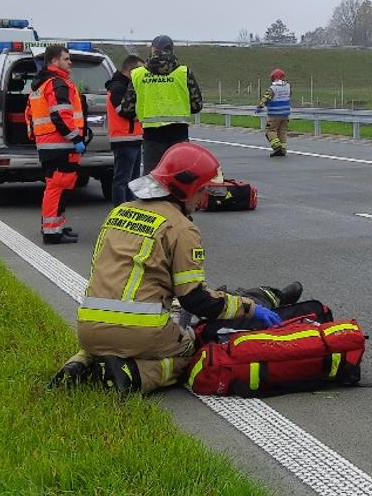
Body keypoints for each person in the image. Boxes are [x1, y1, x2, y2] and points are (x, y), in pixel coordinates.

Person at [49, 142, 303, 394]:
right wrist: (249, 309)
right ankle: (134, 375)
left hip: (89, 330)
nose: (204, 198)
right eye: (203, 190)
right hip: (141, 333)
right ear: (188, 188)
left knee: (110, 341)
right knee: (192, 352)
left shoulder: (119, 212)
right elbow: (196, 300)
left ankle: (80, 363)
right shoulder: (181, 227)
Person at [28, 45, 89, 245]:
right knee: (58, 187)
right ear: (54, 61)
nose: (70, 62)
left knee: (60, 187)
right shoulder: (57, 84)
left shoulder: (40, 85)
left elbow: (29, 116)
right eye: (66, 58)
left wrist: (36, 136)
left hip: (50, 144)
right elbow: (60, 115)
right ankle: (52, 232)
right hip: (60, 144)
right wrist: (76, 138)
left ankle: (56, 225)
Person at [124, 35, 205, 173]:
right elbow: (197, 105)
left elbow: (127, 108)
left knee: (153, 179)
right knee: (180, 177)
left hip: (152, 137)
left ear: (153, 50)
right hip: (179, 136)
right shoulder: (184, 73)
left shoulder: (138, 74)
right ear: (171, 50)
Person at [105, 55, 145, 206]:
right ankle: (120, 211)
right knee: (122, 180)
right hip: (123, 139)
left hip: (133, 138)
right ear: (131, 70)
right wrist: (141, 114)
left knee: (132, 181)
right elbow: (123, 111)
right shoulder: (117, 87)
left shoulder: (127, 85)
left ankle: (130, 209)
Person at [258, 68, 292, 157]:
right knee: (282, 131)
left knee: (270, 130)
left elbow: (266, 98)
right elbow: (289, 95)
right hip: (285, 114)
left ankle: (277, 147)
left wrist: (260, 106)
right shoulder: (288, 86)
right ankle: (283, 149)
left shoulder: (273, 88)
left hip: (274, 114)